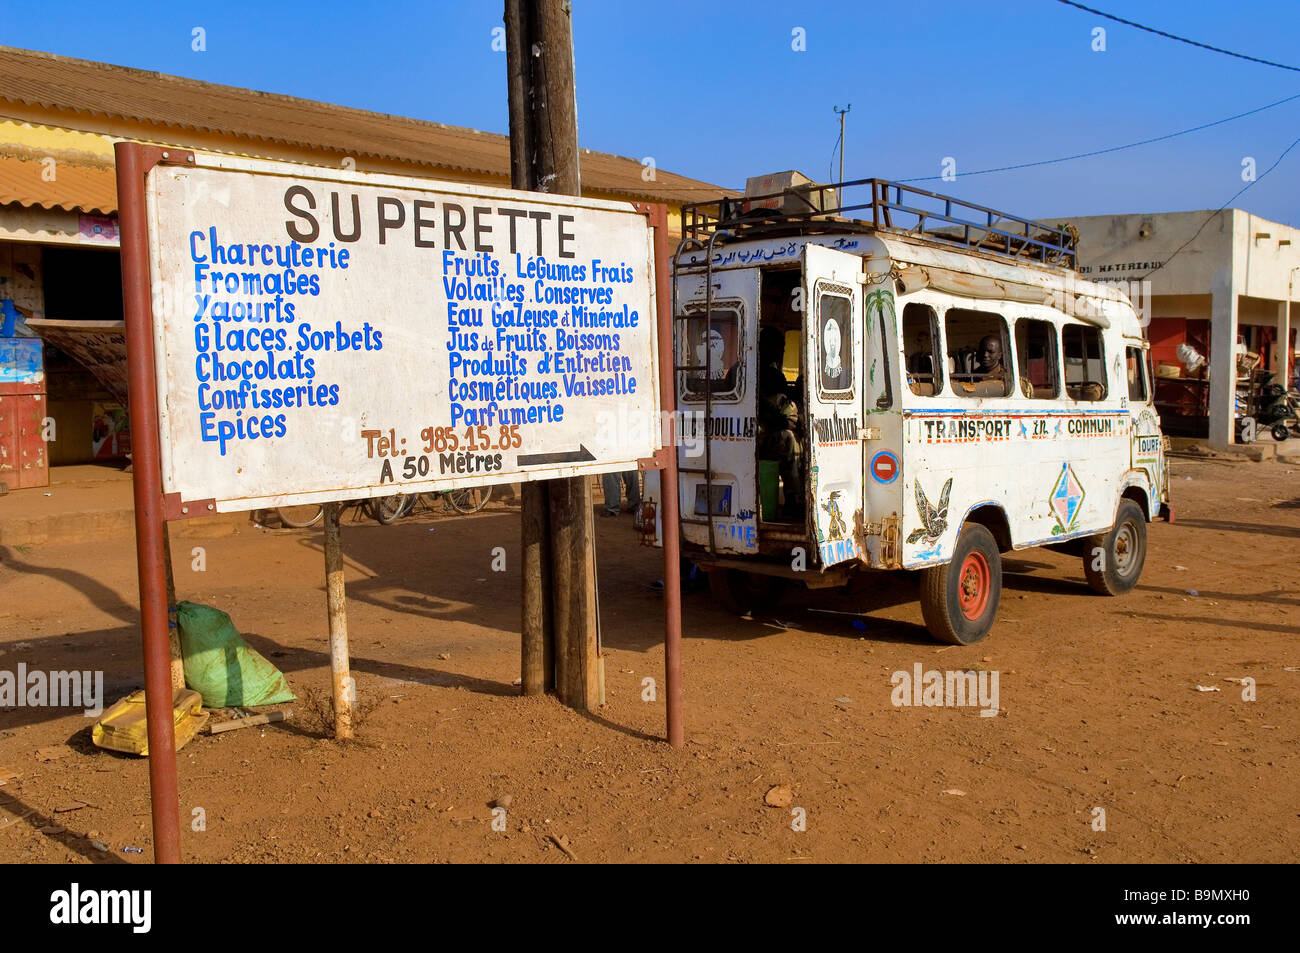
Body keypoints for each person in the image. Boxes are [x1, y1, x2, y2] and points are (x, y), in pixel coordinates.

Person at [757, 325, 803, 519]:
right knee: (789, 439)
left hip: (768, 427)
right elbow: (775, 411)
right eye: (779, 346)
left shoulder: (772, 373)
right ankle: (794, 500)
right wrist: (787, 422)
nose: (782, 351)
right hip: (759, 433)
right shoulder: (767, 375)